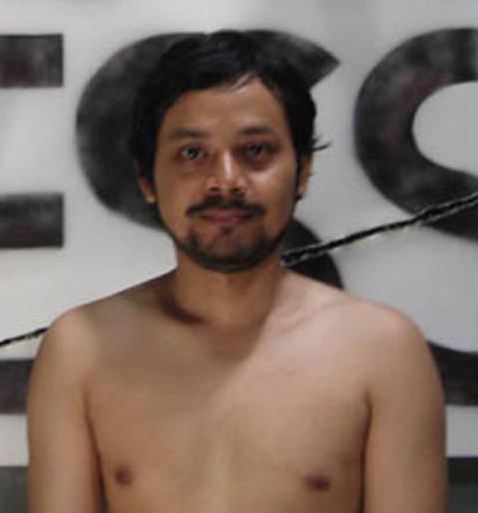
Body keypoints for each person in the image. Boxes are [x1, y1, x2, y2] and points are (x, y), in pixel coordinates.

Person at [26, 31, 446, 513]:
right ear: (147, 179)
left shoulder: (384, 352)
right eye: (192, 153)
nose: (225, 180)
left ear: (303, 170)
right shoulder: (80, 350)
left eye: (256, 151)